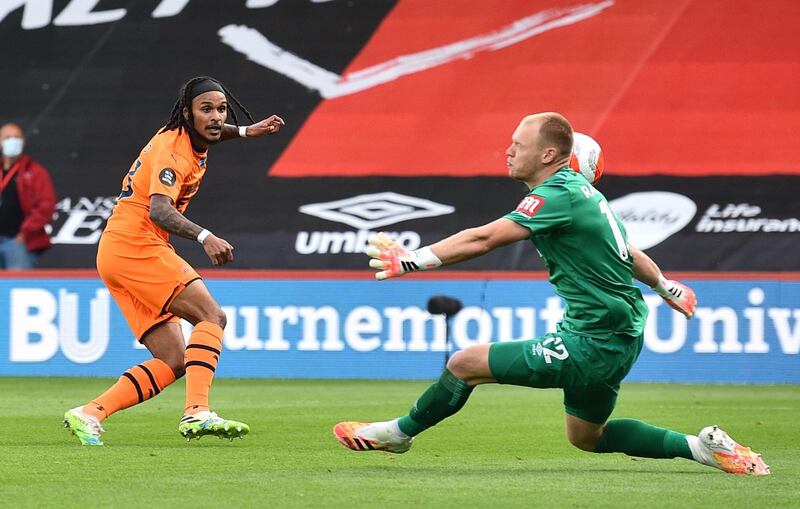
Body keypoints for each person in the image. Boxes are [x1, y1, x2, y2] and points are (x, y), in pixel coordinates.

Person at [333, 112, 770, 476]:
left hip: (593, 339)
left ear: (549, 155)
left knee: (464, 364)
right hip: (620, 334)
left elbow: (485, 238)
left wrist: (413, 259)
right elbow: (629, 251)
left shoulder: (557, 194)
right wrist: (666, 286)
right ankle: (704, 448)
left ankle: (396, 434)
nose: (508, 150)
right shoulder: (586, 196)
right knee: (587, 438)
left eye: (517, 144)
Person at [63, 76, 285, 446]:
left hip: (116, 250)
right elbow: (160, 211)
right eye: (206, 110)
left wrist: (246, 131)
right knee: (211, 316)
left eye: (221, 109)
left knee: (174, 359)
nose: (216, 118)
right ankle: (197, 412)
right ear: (187, 114)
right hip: (137, 244)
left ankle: (89, 413)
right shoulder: (173, 152)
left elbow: (214, 131)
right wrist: (204, 236)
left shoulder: (189, 135)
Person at [0, 123, 56, 269]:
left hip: (18, 242)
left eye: (17, 137)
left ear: (23, 141)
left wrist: (25, 233)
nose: (13, 141)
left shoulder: (36, 172)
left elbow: (46, 206)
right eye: (8, 137)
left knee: (18, 287)